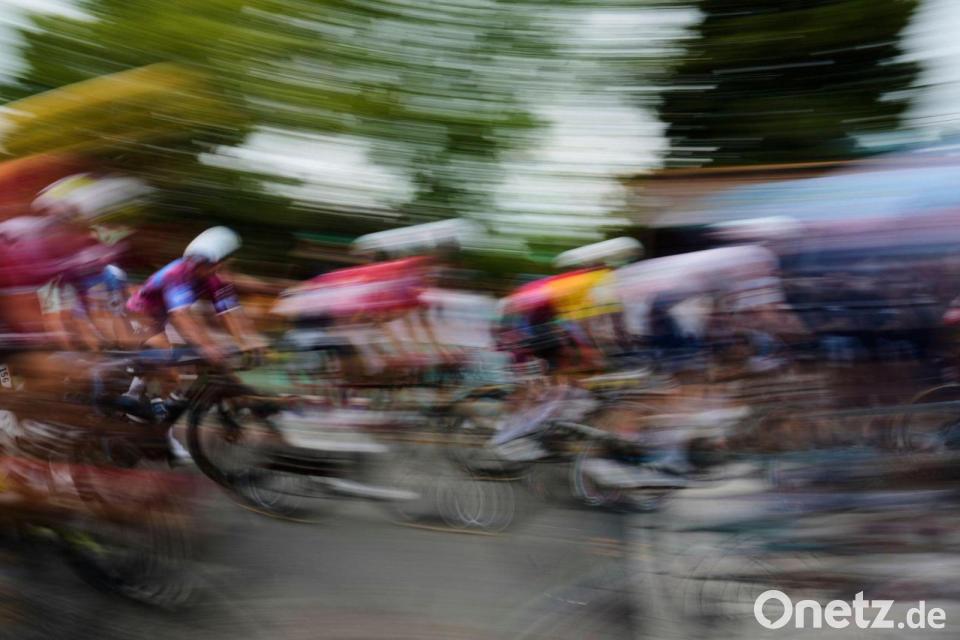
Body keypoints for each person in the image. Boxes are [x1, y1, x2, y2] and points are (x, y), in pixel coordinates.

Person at [122, 226, 265, 456]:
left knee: (203, 363)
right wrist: (207, 346)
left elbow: (230, 314)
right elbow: (182, 316)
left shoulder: (216, 279)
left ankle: (163, 414)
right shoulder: (177, 274)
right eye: (196, 263)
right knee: (169, 363)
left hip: (164, 317)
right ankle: (134, 403)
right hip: (139, 315)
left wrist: (248, 342)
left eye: (207, 264)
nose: (198, 267)